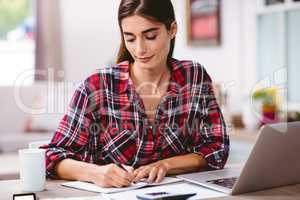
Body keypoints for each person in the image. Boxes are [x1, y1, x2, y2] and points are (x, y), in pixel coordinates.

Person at [42, 0, 229, 188]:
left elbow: (217, 147)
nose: (139, 49)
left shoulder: (194, 76)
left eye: (150, 36)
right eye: (130, 38)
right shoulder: (98, 86)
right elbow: (51, 156)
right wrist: (96, 173)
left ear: (172, 30)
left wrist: (167, 165)